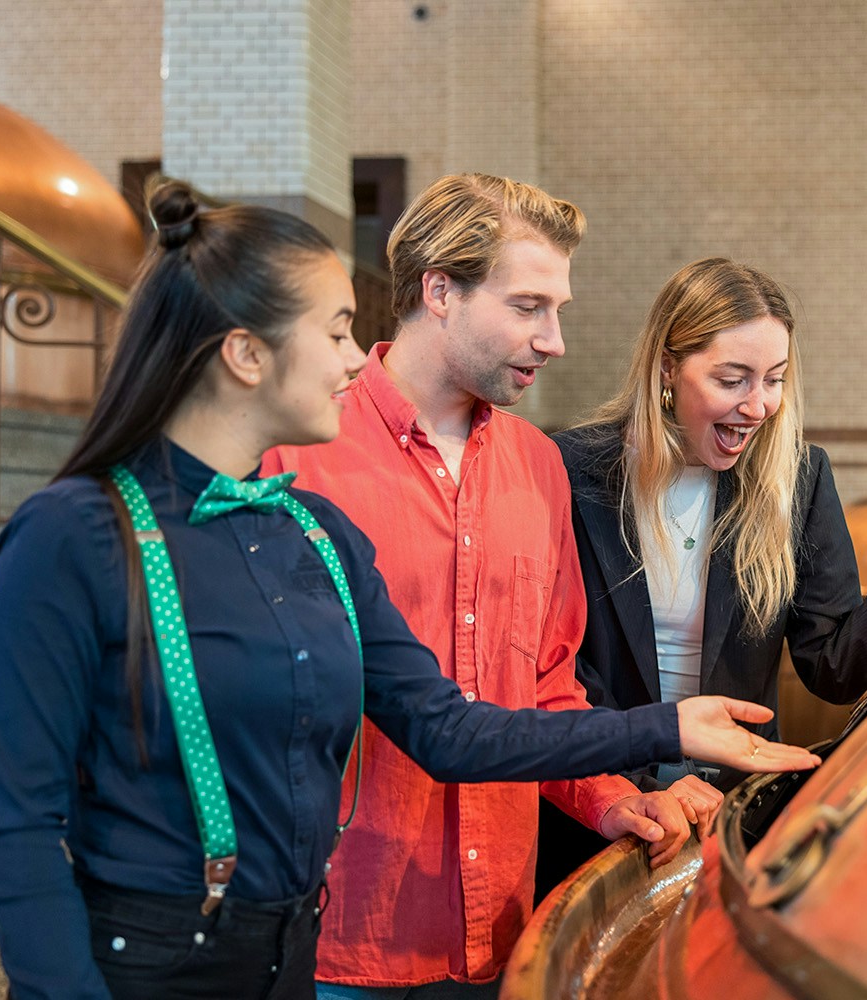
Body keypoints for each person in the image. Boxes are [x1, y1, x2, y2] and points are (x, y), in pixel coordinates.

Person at [0, 185, 818, 1000]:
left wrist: (648, 748)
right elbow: (22, 825)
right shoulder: (98, 526)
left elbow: (453, 725)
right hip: (232, 944)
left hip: (363, 942)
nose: (350, 357)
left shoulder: (318, 526)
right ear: (245, 353)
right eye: (336, 330)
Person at [261, 173, 721, 999]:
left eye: (559, 311)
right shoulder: (296, 456)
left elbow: (545, 689)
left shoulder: (539, 467)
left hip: (505, 934)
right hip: (338, 936)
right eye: (528, 307)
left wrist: (613, 799)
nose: (555, 340)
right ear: (439, 291)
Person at [535, 257, 867, 890]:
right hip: (604, 809)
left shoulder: (799, 478)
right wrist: (644, 787)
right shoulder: (569, 468)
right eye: (733, 379)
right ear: (668, 369)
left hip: (735, 814)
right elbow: (558, 669)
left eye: (774, 380)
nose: (758, 407)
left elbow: (833, 663)